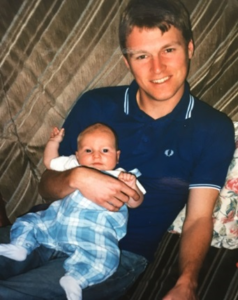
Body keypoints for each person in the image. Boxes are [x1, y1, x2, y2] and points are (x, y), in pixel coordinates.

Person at [0, 0, 235, 299]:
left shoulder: (213, 128)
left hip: (114, 254)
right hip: (43, 229)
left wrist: (187, 282)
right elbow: (47, 186)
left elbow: (199, 217)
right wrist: (77, 178)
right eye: (141, 55)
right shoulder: (95, 104)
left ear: (189, 48)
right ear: (127, 62)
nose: (157, 68)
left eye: (169, 50)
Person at [0, 123, 145, 300]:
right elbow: (50, 162)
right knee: (29, 221)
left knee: (105, 258)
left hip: (92, 234)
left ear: (117, 155)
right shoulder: (74, 166)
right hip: (55, 222)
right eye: (88, 151)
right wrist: (54, 142)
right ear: (77, 155)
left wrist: (131, 188)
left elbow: (135, 203)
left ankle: (75, 279)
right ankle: (20, 246)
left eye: (105, 150)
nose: (97, 155)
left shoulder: (121, 176)